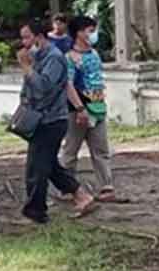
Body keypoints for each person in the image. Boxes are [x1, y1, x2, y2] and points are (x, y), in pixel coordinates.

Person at [17, 20, 96, 224]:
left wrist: (27, 68)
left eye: (27, 37)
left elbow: (43, 86)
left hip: (52, 119)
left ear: (39, 37)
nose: (23, 42)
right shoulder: (37, 57)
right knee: (49, 164)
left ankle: (36, 210)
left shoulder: (54, 58)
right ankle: (81, 195)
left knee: (37, 167)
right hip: (39, 117)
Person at [58, 15, 115, 201]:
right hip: (79, 109)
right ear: (79, 33)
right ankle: (67, 188)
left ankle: (106, 186)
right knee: (70, 151)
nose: (94, 34)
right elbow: (68, 85)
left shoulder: (94, 54)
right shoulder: (70, 58)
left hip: (97, 106)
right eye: (90, 31)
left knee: (101, 149)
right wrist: (79, 108)